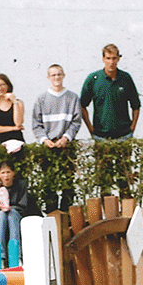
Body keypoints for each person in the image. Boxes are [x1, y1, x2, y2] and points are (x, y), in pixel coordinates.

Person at [32, 64, 82, 212]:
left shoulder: (72, 98)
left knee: (68, 186)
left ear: (64, 75)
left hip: (66, 146)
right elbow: (36, 124)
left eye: (59, 74)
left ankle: (66, 220)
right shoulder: (41, 99)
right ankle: (51, 218)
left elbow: (76, 121)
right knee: (49, 187)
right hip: (49, 147)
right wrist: (44, 140)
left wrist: (66, 138)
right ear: (48, 78)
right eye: (53, 75)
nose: (56, 78)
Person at [81, 44, 141, 140]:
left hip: (124, 135)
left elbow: (136, 106)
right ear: (103, 59)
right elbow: (82, 106)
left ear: (118, 59)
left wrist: (132, 128)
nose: (111, 62)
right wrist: (91, 128)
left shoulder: (125, 78)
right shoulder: (93, 79)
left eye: (114, 58)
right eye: (108, 58)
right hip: (100, 135)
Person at [0, 160, 28, 253]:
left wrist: (4, 207)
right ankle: (0, 254)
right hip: (0, 216)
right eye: (3, 173)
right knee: (1, 214)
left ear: (13, 173)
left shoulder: (21, 185)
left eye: (8, 172)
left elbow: (22, 206)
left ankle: (16, 254)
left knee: (11, 214)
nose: (6, 175)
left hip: (16, 214)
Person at [0, 73, 25, 150]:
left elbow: (18, 122)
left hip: (17, 142)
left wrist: (14, 102)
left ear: (8, 85)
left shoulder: (18, 103)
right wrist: (13, 128)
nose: (0, 88)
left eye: (2, 85)